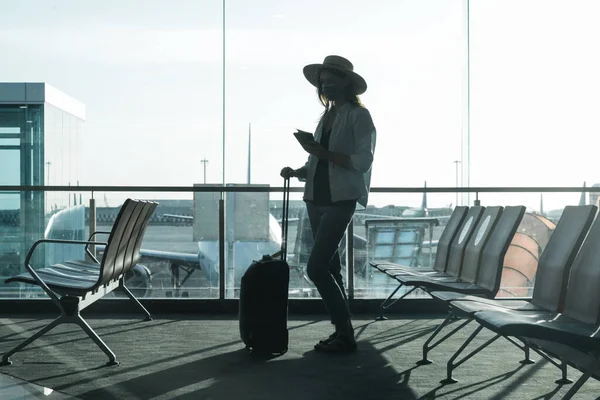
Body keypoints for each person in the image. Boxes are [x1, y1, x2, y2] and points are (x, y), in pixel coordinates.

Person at [280, 55, 377, 354]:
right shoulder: (327, 117)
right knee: (329, 267)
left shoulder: (359, 116)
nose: (326, 84)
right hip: (317, 198)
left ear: (347, 83)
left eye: (331, 79)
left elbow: (362, 161)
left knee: (317, 267)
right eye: (323, 80)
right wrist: (300, 170)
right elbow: (319, 162)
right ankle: (342, 332)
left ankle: (345, 332)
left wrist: (322, 153)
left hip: (340, 199)